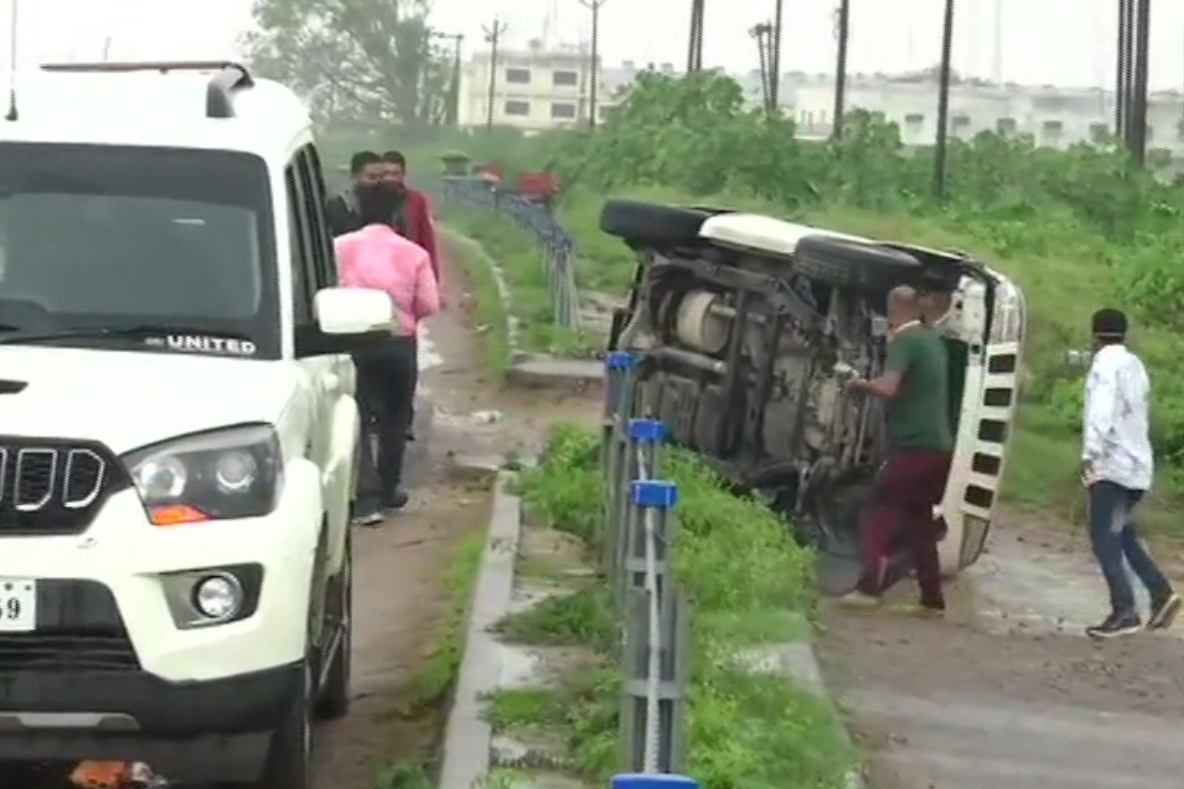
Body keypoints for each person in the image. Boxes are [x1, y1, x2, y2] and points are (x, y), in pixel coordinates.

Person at [841, 286, 954, 614]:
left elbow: (889, 387)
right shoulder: (933, 341)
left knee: (876, 511)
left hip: (914, 447)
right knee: (919, 521)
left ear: (893, 311)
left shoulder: (904, 341)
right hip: (939, 447)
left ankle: (868, 589)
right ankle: (932, 600)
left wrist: (857, 384)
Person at [335, 183, 441, 525]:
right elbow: (429, 304)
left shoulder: (339, 248)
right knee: (396, 419)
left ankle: (365, 500)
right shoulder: (414, 254)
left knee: (359, 418)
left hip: (353, 341)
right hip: (399, 343)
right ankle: (389, 489)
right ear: (397, 215)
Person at [1080, 308, 1180, 638]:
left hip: (1111, 465)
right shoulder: (1134, 366)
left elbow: (1102, 411)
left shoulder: (1105, 365)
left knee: (1103, 537)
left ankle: (1124, 611)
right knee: (1122, 533)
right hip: (1137, 465)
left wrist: (1090, 454)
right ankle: (1161, 593)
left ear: (1096, 334)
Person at [379, 150, 443, 290]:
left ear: (403, 175)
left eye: (395, 174)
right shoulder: (372, 201)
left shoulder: (416, 201)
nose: (390, 178)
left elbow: (426, 241)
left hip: (409, 271)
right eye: (386, 174)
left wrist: (432, 281)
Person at [326, 150, 384, 237]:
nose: (378, 181)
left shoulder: (390, 202)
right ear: (355, 176)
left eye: (381, 176)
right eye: (372, 177)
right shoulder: (338, 206)